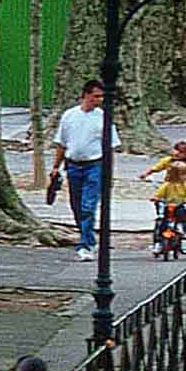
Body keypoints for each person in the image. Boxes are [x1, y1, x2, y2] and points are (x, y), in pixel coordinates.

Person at [49, 79, 109, 262]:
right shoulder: (70, 115)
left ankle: (85, 244)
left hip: (95, 165)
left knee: (88, 206)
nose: (99, 99)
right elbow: (62, 143)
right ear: (86, 95)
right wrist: (55, 167)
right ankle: (87, 235)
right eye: (96, 96)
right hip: (73, 165)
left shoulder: (103, 117)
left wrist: (108, 171)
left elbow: (110, 146)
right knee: (76, 205)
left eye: (101, 96)